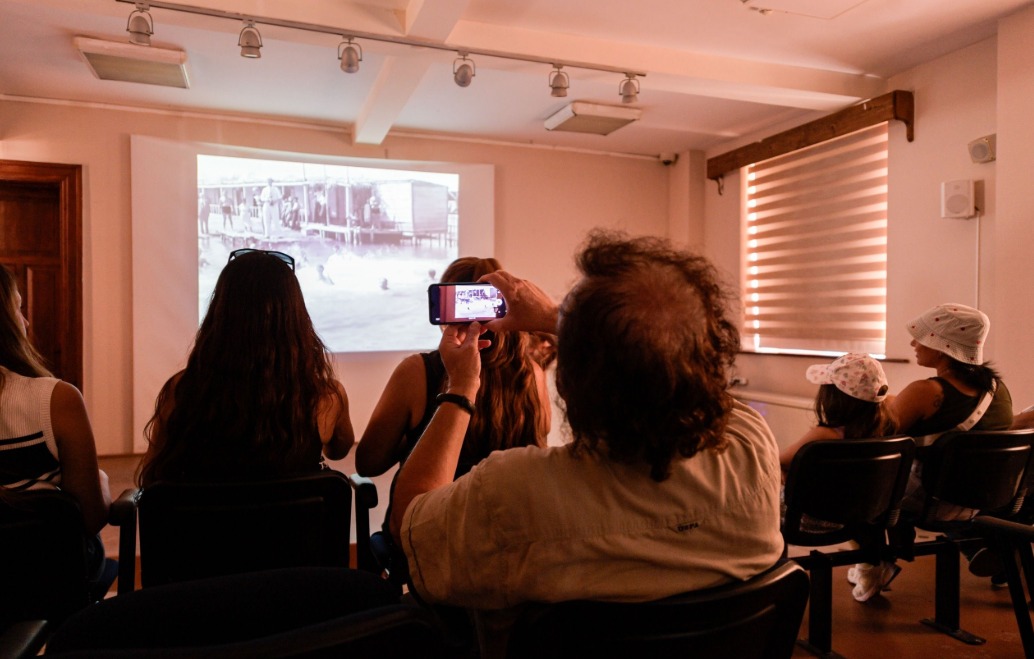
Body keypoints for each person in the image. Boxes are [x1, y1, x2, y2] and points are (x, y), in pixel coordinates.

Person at [389, 232, 783, 657]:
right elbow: (703, 389)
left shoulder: (511, 493)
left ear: (567, 383)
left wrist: (462, 387)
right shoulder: (753, 446)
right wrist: (556, 317)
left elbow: (410, 524)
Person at [356, 257, 551, 578]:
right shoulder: (532, 374)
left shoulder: (417, 372)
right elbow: (536, 453)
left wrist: (416, 437)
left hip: (432, 547)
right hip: (508, 548)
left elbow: (368, 462)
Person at [138, 249, 354, 486]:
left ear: (220, 315)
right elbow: (338, 451)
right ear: (295, 317)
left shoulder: (182, 390)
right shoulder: (325, 397)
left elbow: (150, 478)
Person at [0, 265, 114, 597]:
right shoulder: (56, 400)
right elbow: (91, 518)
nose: (26, 322)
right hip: (48, 588)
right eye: (18, 308)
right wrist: (102, 482)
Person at [887, 303, 1013, 578]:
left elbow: (878, 437)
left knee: (861, 480)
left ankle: (876, 563)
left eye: (920, 337)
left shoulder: (926, 391)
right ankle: (974, 543)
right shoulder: (998, 390)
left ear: (942, 346)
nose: (913, 343)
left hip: (932, 501)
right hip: (986, 499)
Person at [779, 353, 898, 602]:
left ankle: (771, 575)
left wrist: (782, 470)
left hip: (812, 519)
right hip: (864, 516)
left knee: (771, 481)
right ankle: (871, 566)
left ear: (832, 398)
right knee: (855, 494)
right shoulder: (886, 432)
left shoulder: (824, 436)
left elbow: (779, 460)